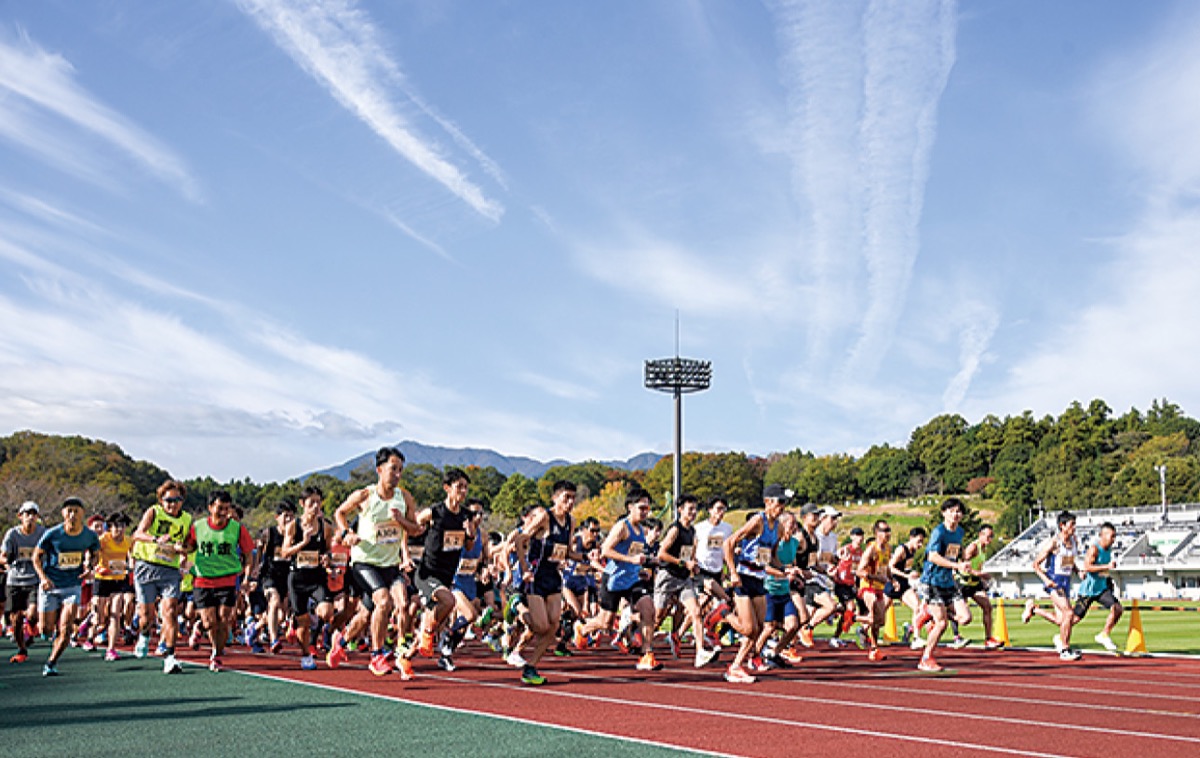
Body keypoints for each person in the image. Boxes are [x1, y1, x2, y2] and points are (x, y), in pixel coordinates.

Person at [334, 447, 421, 677]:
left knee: (366, 615)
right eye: (393, 469)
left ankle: (340, 642)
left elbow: (416, 529)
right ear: (379, 470)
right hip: (365, 562)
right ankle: (376, 655)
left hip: (390, 565)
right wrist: (345, 534)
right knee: (384, 601)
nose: (398, 474)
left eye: (401, 470)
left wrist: (401, 520)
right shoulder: (365, 495)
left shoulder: (405, 498)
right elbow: (339, 513)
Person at [575, 488, 662, 676]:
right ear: (630, 507)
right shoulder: (622, 527)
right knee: (605, 624)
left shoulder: (641, 530)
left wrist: (641, 569)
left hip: (632, 581)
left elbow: (634, 554)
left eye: (648, 508)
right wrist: (631, 561)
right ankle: (583, 628)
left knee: (648, 609)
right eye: (642, 508)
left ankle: (647, 654)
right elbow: (606, 550)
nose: (645, 511)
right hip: (613, 580)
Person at [401, 468, 477, 677]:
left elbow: (469, 548)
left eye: (465, 487)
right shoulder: (433, 512)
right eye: (459, 487)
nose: (463, 491)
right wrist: (405, 555)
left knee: (435, 622)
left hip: (447, 576)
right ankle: (426, 632)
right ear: (447, 488)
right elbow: (409, 530)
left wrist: (470, 534)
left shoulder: (466, 516)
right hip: (427, 573)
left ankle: (406, 657)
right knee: (448, 603)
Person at [721, 483, 789, 683]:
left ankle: (735, 666)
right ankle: (723, 613)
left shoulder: (778, 527)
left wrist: (786, 570)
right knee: (749, 629)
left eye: (785, 503)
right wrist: (732, 572)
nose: (783, 507)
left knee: (759, 629)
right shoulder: (757, 521)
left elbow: (772, 557)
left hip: (759, 579)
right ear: (768, 502)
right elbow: (728, 543)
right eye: (780, 502)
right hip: (744, 577)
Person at [511, 480, 577, 685]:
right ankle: (516, 606)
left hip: (553, 578)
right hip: (536, 577)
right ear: (555, 498)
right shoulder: (545, 517)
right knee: (541, 626)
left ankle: (530, 667)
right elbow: (520, 540)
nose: (570, 502)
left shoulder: (571, 521)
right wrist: (524, 568)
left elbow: (568, 551)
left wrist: (586, 558)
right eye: (566, 497)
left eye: (573, 498)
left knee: (553, 626)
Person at [184, 491, 254, 672]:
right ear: (210, 508)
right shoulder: (198, 527)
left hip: (228, 579)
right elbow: (189, 545)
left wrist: (246, 578)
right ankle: (202, 628)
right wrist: (180, 549)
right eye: (220, 508)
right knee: (209, 622)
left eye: (227, 508)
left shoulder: (237, 528)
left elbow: (248, 555)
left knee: (224, 619)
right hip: (203, 580)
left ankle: (216, 653)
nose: (223, 512)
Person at [130, 480, 194, 673]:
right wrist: (157, 540)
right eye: (168, 500)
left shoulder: (186, 519)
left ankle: (170, 657)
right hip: (146, 566)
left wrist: (183, 554)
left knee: (170, 612)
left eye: (177, 500)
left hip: (170, 570)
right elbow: (137, 533)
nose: (172, 504)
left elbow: (189, 545)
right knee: (146, 616)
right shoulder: (153, 512)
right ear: (161, 500)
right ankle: (144, 634)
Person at [32, 497, 101, 676]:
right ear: (63, 513)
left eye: (76, 511)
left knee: (66, 626)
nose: (72, 515)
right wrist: (43, 578)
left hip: (72, 584)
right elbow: (36, 557)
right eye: (69, 511)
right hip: (51, 585)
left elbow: (96, 554)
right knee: (45, 629)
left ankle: (51, 662)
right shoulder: (52, 534)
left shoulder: (89, 535)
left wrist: (90, 568)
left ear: (83, 514)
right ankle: (50, 632)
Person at [653, 493, 718, 668]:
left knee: (696, 612)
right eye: (690, 509)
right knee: (658, 617)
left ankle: (700, 652)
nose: (693, 512)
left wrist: (693, 565)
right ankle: (644, 645)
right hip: (667, 577)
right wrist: (683, 562)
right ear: (680, 510)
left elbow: (689, 555)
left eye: (695, 509)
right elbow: (661, 554)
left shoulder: (692, 531)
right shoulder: (675, 530)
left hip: (683, 578)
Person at [915, 498, 974, 672]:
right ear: (944, 513)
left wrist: (965, 558)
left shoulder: (960, 532)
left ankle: (928, 613)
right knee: (942, 624)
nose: (955, 515)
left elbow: (954, 553)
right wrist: (957, 566)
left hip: (948, 581)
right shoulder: (938, 532)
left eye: (958, 511)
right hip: (933, 581)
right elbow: (932, 556)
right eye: (951, 511)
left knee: (965, 618)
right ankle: (926, 658)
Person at [281, 486, 335, 670]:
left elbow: (328, 549)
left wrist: (328, 557)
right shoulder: (293, 526)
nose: (316, 506)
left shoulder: (325, 527)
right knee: (302, 622)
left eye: (318, 502)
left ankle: (315, 617)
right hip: (297, 578)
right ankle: (306, 654)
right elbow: (285, 552)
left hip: (317, 577)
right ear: (302, 504)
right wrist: (303, 543)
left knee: (327, 611)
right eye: (311, 503)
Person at [1025, 510, 1082, 661]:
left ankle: (1034, 609)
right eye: (1071, 524)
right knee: (1069, 614)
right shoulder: (1054, 543)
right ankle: (1064, 649)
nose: (1074, 527)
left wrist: (1078, 571)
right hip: (1054, 582)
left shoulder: (1074, 541)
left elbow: (1070, 560)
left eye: (1075, 524)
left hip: (1066, 582)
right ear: (1062, 526)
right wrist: (1046, 580)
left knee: (1061, 620)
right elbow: (1035, 564)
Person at [2, 501, 46, 664]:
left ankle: (32, 624)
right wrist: (5, 561)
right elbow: (3, 554)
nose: (30, 518)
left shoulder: (43, 533)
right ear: (20, 516)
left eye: (33, 514)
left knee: (32, 613)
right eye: (27, 514)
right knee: (15, 619)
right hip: (14, 579)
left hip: (34, 579)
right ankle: (22, 649)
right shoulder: (12, 534)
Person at [1076, 522, 1124, 653]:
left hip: (1101, 589)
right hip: (1088, 590)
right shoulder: (1094, 549)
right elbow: (1087, 567)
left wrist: (1107, 577)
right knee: (1074, 619)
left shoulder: (1109, 550)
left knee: (1118, 609)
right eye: (1111, 536)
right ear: (1102, 535)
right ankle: (1060, 635)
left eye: (1115, 536)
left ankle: (1104, 634)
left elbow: (1101, 569)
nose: (1113, 539)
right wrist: (1107, 567)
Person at [92, 513, 134, 661]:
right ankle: (89, 634)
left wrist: (131, 565)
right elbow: (92, 556)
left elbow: (132, 555)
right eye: (117, 526)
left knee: (115, 615)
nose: (120, 529)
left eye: (123, 526)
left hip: (118, 580)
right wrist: (97, 567)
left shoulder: (128, 541)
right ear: (110, 527)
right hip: (102, 580)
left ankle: (111, 649)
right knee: (99, 619)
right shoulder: (103, 540)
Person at [258, 500, 296, 654]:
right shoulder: (270, 533)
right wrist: (254, 576)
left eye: (291, 517)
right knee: (274, 602)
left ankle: (255, 627)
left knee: (280, 615)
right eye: (285, 516)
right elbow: (259, 555)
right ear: (277, 517)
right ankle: (274, 639)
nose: (288, 520)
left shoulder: (296, 534)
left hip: (286, 577)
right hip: (269, 576)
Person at [957, 525, 1004, 649]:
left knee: (987, 607)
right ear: (980, 535)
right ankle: (956, 636)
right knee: (962, 616)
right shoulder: (973, 547)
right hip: (963, 583)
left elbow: (977, 565)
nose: (990, 539)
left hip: (975, 583)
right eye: (987, 536)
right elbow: (961, 563)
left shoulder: (984, 549)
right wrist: (977, 573)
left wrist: (981, 578)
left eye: (991, 536)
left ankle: (988, 639)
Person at [855, 519, 892, 661]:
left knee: (880, 621)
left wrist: (891, 579)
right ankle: (874, 649)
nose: (887, 534)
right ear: (877, 533)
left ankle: (854, 620)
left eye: (889, 530)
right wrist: (875, 577)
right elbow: (859, 571)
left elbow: (886, 567)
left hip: (879, 588)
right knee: (873, 612)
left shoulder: (887, 549)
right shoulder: (871, 549)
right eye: (884, 531)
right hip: (868, 587)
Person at [887, 527, 926, 647]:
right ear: (911, 538)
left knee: (918, 607)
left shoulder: (912, 551)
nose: (920, 545)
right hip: (892, 582)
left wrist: (912, 573)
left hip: (903, 584)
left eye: (922, 542)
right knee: (878, 616)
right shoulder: (901, 549)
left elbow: (904, 567)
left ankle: (915, 637)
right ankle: (863, 628)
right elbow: (890, 567)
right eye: (918, 541)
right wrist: (907, 575)